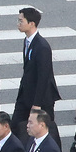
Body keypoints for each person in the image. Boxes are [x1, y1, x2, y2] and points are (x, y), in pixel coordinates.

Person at [13, 7, 61, 139]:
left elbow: (43, 77)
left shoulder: (42, 47)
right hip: (26, 95)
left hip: (41, 99)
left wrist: (37, 104)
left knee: (45, 132)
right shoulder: (27, 41)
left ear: (31, 23)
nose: (18, 23)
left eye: (21, 20)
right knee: (16, 127)